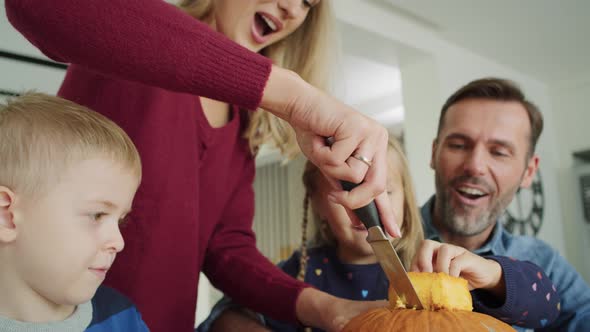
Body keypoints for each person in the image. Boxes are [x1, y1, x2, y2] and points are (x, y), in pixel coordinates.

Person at [6, 1, 402, 331]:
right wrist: (293, 96)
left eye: (308, 2)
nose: (292, 7)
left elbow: (227, 250)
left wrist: (327, 309)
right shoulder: (139, 45)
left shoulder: (242, 122)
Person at [199, 137, 560, 331]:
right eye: (349, 194)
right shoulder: (301, 272)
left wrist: (493, 275)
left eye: (384, 191)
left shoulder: (434, 268)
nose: (366, 206)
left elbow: (546, 308)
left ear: (405, 200)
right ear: (319, 204)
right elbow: (223, 318)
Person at [417, 77, 590, 331]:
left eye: (499, 152)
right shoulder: (373, 245)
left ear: (529, 171)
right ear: (434, 153)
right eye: (458, 145)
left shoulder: (547, 264)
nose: (475, 166)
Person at [0, 93, 148, 331]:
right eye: (97, 215)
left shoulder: (124, 320)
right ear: (6, 215)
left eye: (120, 221)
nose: (119, 242)